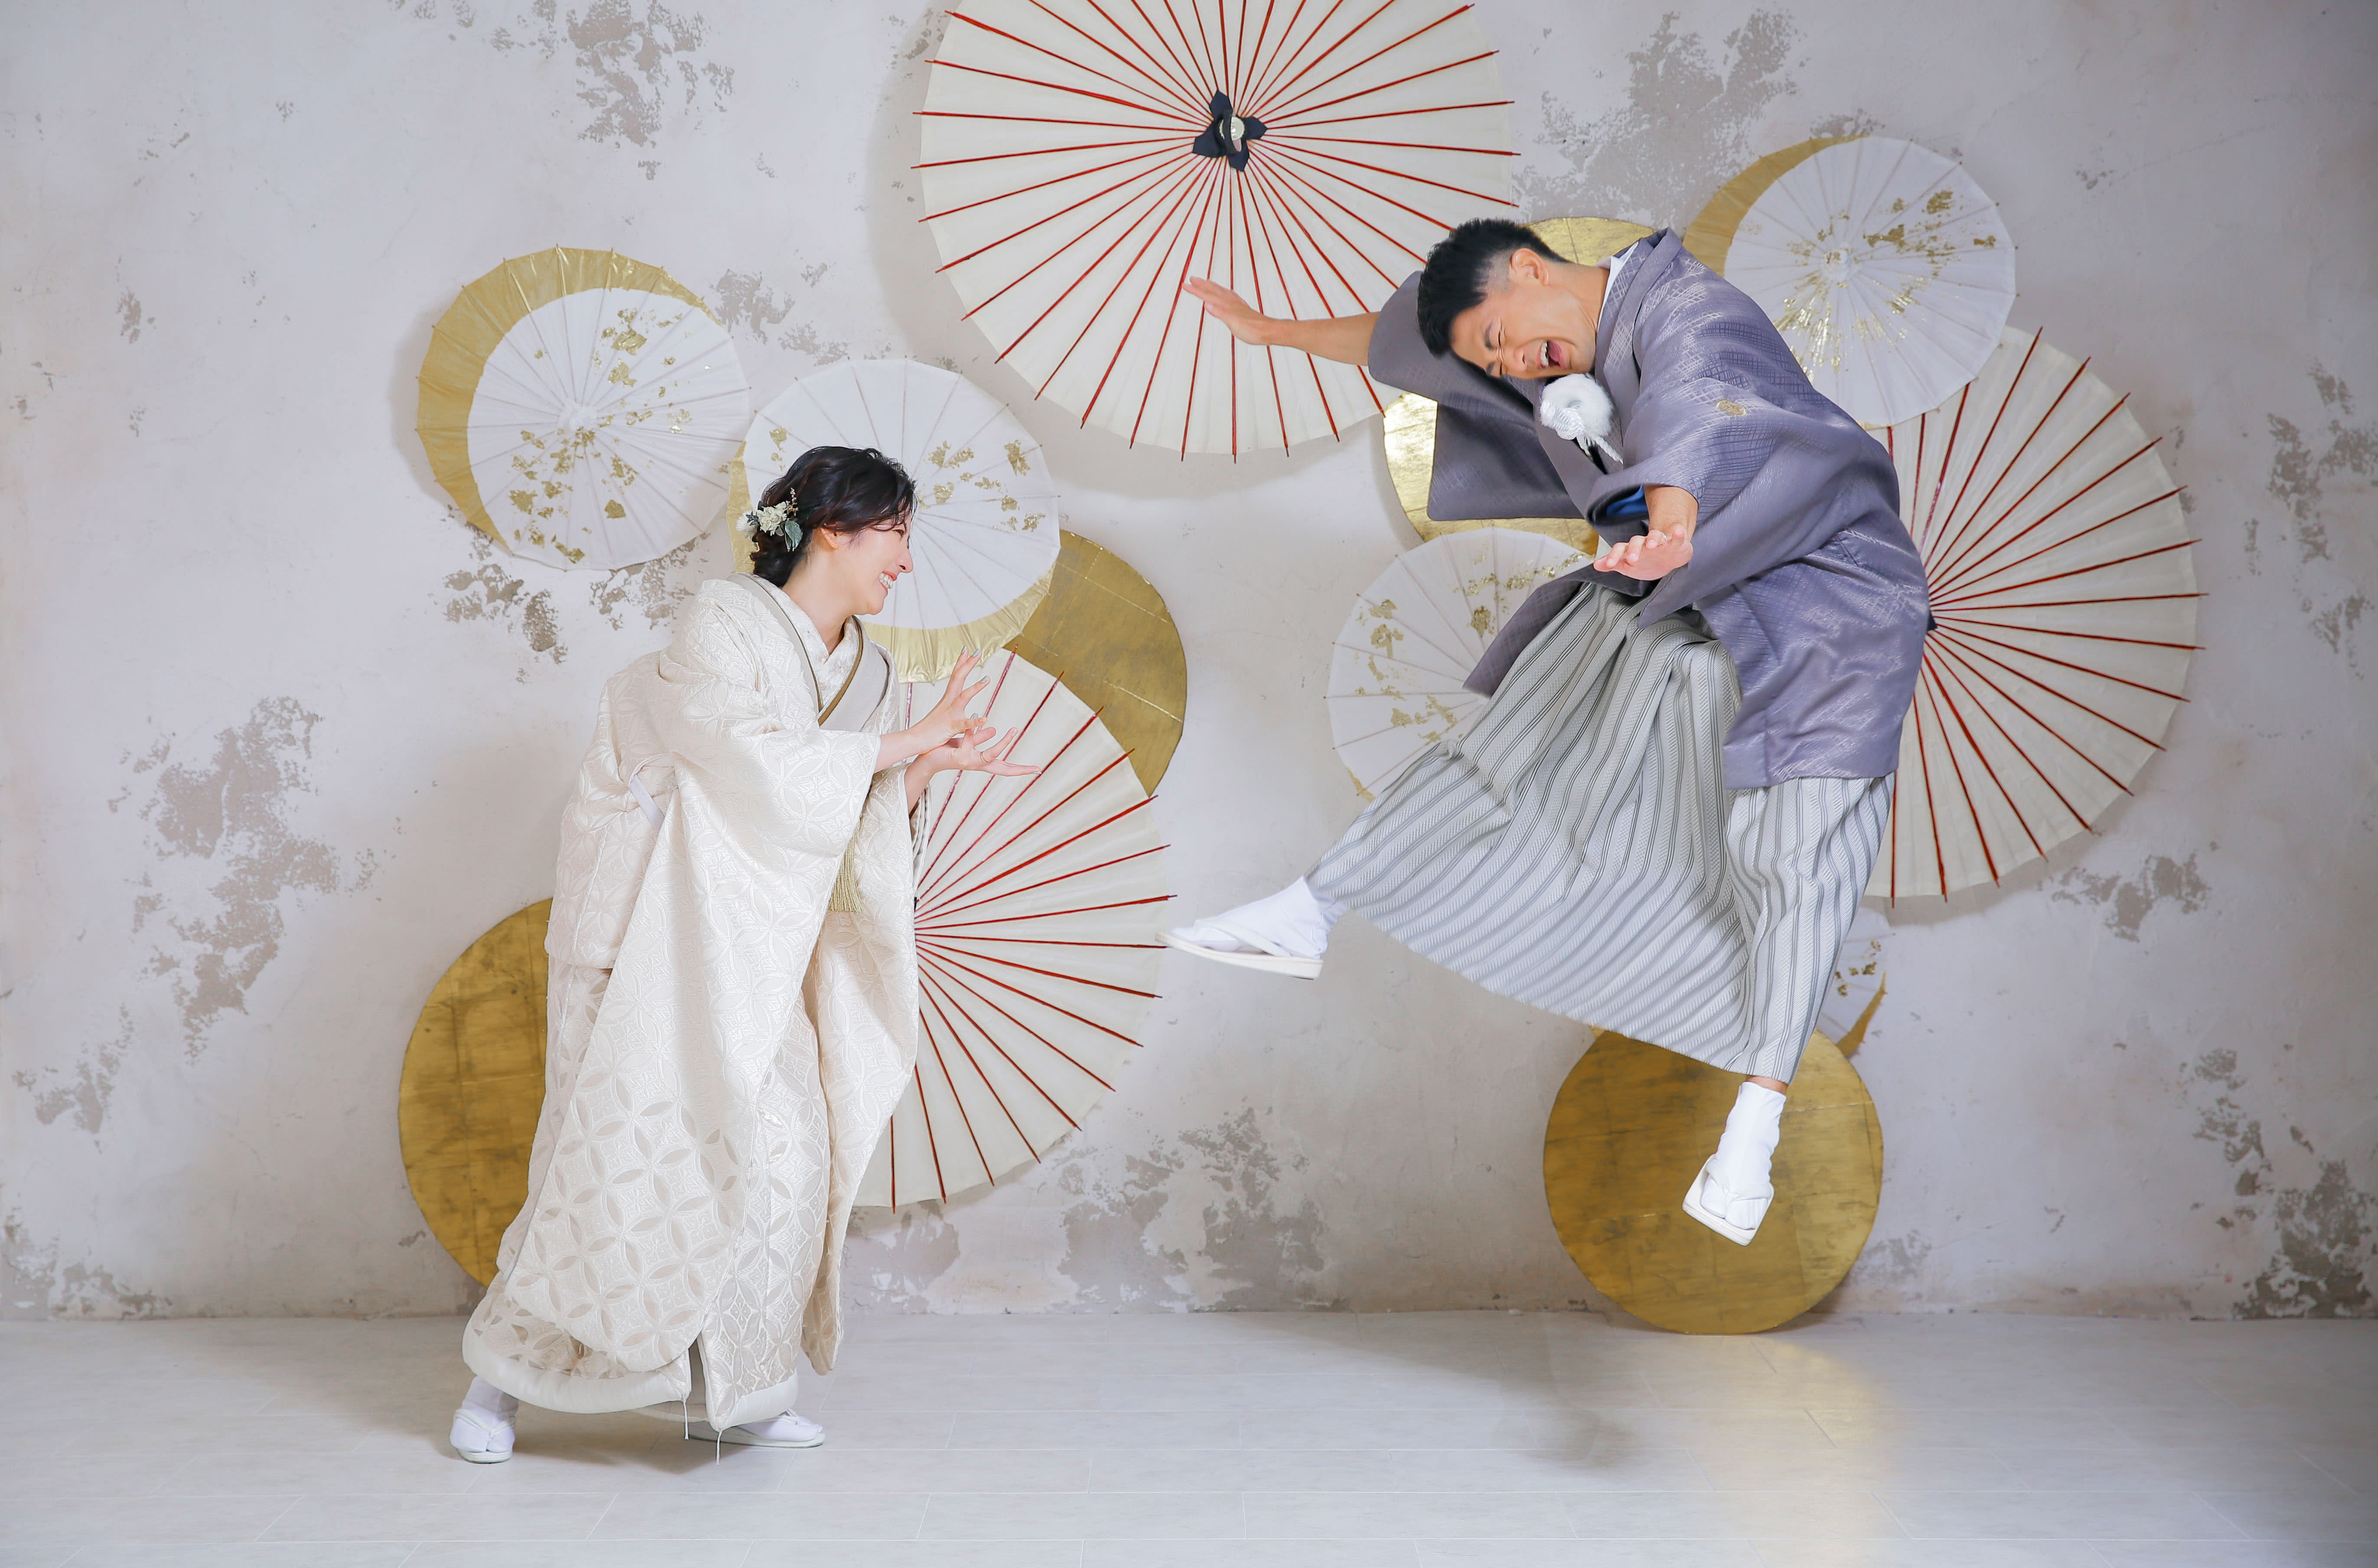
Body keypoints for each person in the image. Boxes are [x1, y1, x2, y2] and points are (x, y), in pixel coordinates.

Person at [1165, 221, 1929, 1246]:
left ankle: (1751, 1136)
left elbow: (1704, 407)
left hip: (1824, 600)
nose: (1514, 368)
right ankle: (1314, 905)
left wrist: (1672, 522)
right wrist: (1275, 333)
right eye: (1496, 366)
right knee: (1520, 731)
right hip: (1688, 584)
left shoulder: (1689, 311)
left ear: (1528, 269)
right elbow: (1415, 346)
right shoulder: (1549, 351)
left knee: (1792, 852)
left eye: (1502, 340)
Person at [449, 446, 1033, 1463]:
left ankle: (745, 1387)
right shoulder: (723, 618)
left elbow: (845, 814)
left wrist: (924, 766)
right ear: (833, 530)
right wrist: (898, 746)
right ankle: (501, 1386)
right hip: (642, 929)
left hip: (757, 946)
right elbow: (737, 755)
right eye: (895, 532)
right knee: (610, 1161)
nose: (906, 558)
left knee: (785, 1158)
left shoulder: (872, 672)